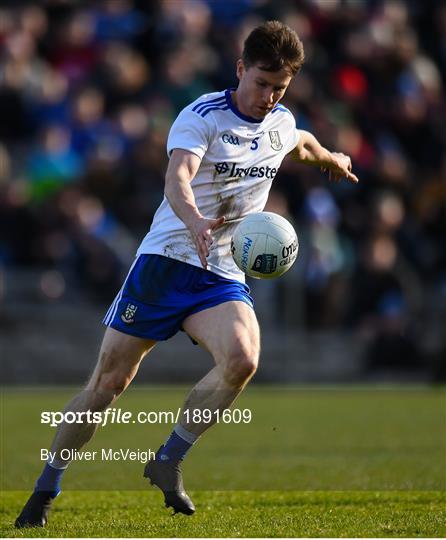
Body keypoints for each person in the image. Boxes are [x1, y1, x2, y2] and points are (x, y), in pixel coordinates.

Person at [15, 20, 358, 527]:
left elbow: (301, 142)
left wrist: (332, 158)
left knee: (243, 359)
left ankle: (169, 458)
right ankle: (46, 486)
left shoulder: (280, 122)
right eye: (261, 83)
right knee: (108, 383)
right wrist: (196, 220)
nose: (267, 96)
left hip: (220, 273)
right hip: (166, 262)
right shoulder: (201, 117)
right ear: (240, 69)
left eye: (279, 88)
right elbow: (177, 177)